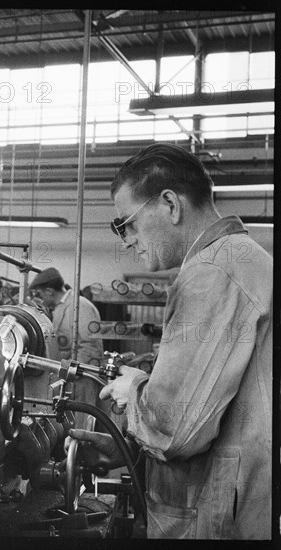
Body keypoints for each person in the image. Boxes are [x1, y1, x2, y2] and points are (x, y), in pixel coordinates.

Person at [67, 143, 272, 539]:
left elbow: (178, 429)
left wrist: (134, 390)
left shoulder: (213, 272)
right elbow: (214, 413)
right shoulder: (241, 260)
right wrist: (129, 448)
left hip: (216, 521)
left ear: (170, 205)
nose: (126, 240)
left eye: (126, 223)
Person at [29, 267, 105, 427]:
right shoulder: (60, 308)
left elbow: (90, 348)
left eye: (39, 294)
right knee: (70, 426)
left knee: (83, 427)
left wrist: (69, 372)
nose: (39, 299)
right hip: (68, 378)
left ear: (49, 291)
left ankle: (82, 451)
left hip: (83, 378)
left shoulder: (80, 307)